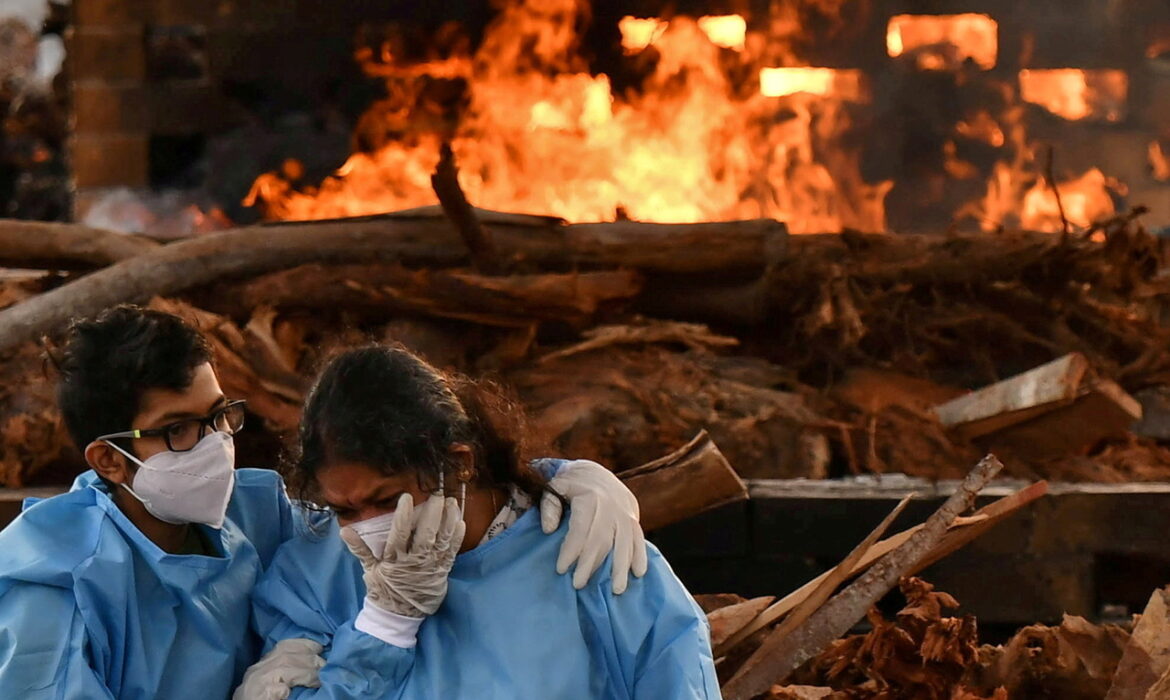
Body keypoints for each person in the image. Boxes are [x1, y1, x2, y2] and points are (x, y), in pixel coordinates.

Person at [0, 306, 649, 699]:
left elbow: (388, 495)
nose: (214, 447)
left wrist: (555, 476)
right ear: (109, 459)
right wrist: (382, 630)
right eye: (178, 430)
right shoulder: (52, 593)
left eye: (219, 415)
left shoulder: (253, 511)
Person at [241, 345, 719, 699]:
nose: (370, 527)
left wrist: (566, 473)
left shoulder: (583, 549)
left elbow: (675, 675)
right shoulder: (312, 577)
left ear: (459, 464)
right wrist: (383, 627)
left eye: (387, 499)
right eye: (345, 509)